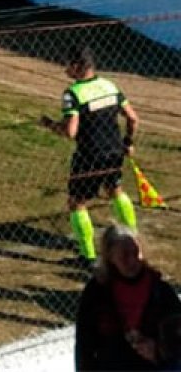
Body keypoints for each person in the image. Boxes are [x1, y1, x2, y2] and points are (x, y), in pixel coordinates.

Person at [40, 46, 139, 266]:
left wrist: (49, 124)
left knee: (77, 203)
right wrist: (128, 142)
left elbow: (70, 132)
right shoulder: (109, 85)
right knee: (116, 192)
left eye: (67, 64)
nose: (65, 69)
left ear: (77, 66)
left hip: (89, 154)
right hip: (114, 151)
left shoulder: (73, 93)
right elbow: (133, 118)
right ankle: (133, 241)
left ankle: (87, 255)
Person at [74, 225, 181, 371]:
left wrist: (159, 350)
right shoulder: (97, 291)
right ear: (110, 257)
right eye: (124, 256)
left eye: (136, 253)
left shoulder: (159, 289)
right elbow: (84, 343)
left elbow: (177, 333)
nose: (132, 261)